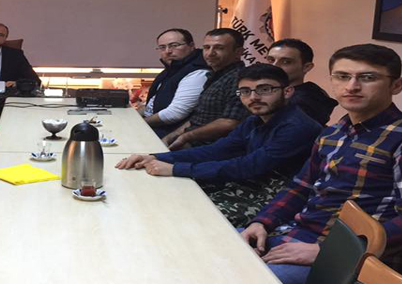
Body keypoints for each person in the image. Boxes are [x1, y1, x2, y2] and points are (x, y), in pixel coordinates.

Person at [239, 44, 402, 284]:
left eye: (367, 77)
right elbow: (300, 187)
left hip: (350, 259)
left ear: (396, 86)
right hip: (295, 235)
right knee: (212, 256)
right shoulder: (333, 133)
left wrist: (331, 252)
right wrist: (263, 221)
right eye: (342, 76)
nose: (352, 86)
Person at [118, 64, 322, 227]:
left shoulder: (297, 127)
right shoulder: (255, 120)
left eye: (265, 90)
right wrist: (156, 157)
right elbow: (217, 150)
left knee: (189, 215)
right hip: (248, 180)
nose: (253, 97)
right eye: (245, 91)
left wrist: (175, 168)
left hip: (276, 193)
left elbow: (248, 166)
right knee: (162, 194)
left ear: (287, 92)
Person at [162, 28, 249, 149]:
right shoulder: (214, 75)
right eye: (207, 47)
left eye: (219, 48)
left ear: (239, 52)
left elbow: (230, 122)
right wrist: (171, 137)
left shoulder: (241, 78)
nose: (210, 53)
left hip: (212, 148)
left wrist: (185, 137)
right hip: (192, 141)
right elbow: (198, 117)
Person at [140, 28, 209, 138]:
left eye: (174, 45)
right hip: (155, 125)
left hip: (169, 131)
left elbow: (174, 114)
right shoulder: (174, 68)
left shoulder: (198, 71)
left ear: (191, 46)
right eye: (162, 47)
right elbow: (154, 101)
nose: (168, 51)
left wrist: (138, 124)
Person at [266, 38, 337, 126]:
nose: (274, 66)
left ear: (306, 67)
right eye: (271, 60)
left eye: (286, 62)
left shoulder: (306, 101)